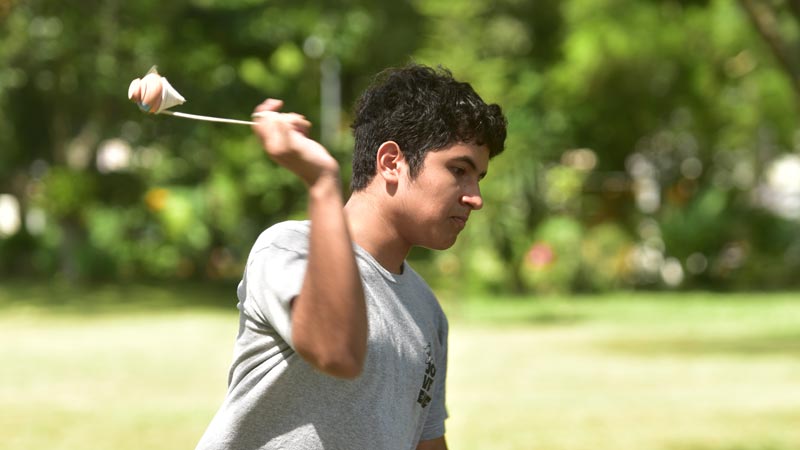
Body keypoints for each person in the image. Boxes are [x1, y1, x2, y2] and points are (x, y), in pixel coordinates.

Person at [130, 63, 506, 450]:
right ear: (391, 162)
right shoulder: (289, 249)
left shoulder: (427, 311)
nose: (475, 198)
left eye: (478, 178)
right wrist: (322, 182)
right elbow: (336, 351)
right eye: (459, 170)